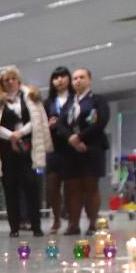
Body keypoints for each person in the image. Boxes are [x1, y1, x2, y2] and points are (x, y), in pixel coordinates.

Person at [0, 67, 52, 237]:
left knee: (32, 188)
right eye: (6, 80)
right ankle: (14, 228)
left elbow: (38, 121)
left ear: (18, 80)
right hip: (6, 152)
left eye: (13, 79)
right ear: (2, 83)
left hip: (28, 150)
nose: (10, 82)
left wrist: (21, 133)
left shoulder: (32, 100)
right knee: (10, 189)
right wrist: (11, 136)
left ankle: (36, 225)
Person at [54, 68, 109, 234]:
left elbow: (100, 122)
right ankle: (73, 224)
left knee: (90, 186)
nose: (78, 80)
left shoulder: (98, 100)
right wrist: (71, 138)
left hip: (92, 148)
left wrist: (80, 137)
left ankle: (93, 224)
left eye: (81, 77)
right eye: (75, 78)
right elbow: (60, 125)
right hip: (70, 152)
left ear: (89, 80)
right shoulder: (69, 103)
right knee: (72, 189)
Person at [44, 67, 72, 234]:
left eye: (63, 77)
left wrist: (61, 123)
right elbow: (40, 125)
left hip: (70, 147)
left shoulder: (74, 99)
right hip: (53, 148)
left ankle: (70, 217)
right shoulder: (48, 103)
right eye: (56, 77)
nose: (60, 80)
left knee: (70, 186)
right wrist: (48, 126)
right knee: (53, 186)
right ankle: (56, 219)